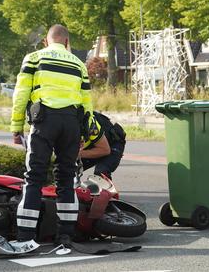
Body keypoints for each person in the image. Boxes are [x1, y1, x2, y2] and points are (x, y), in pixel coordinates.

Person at [10, 24, 93, 245]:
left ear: (46, 41)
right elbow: (87, 104)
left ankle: (25, 237)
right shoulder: (79, 64)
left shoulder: (34, 58)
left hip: (44, 121)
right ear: (67, 42)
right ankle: (66, 235)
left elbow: (21, 94)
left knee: (34, 178)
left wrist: (16, 126)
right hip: (71, 123)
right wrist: (84, 133)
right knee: (67, 178)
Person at [80, 111, 127, 179]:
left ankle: (106, 187)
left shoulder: (89, 124)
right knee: (65, 171)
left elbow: (105, 150)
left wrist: (77, 154)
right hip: (90, 147)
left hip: (111, 144)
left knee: (101, 172)